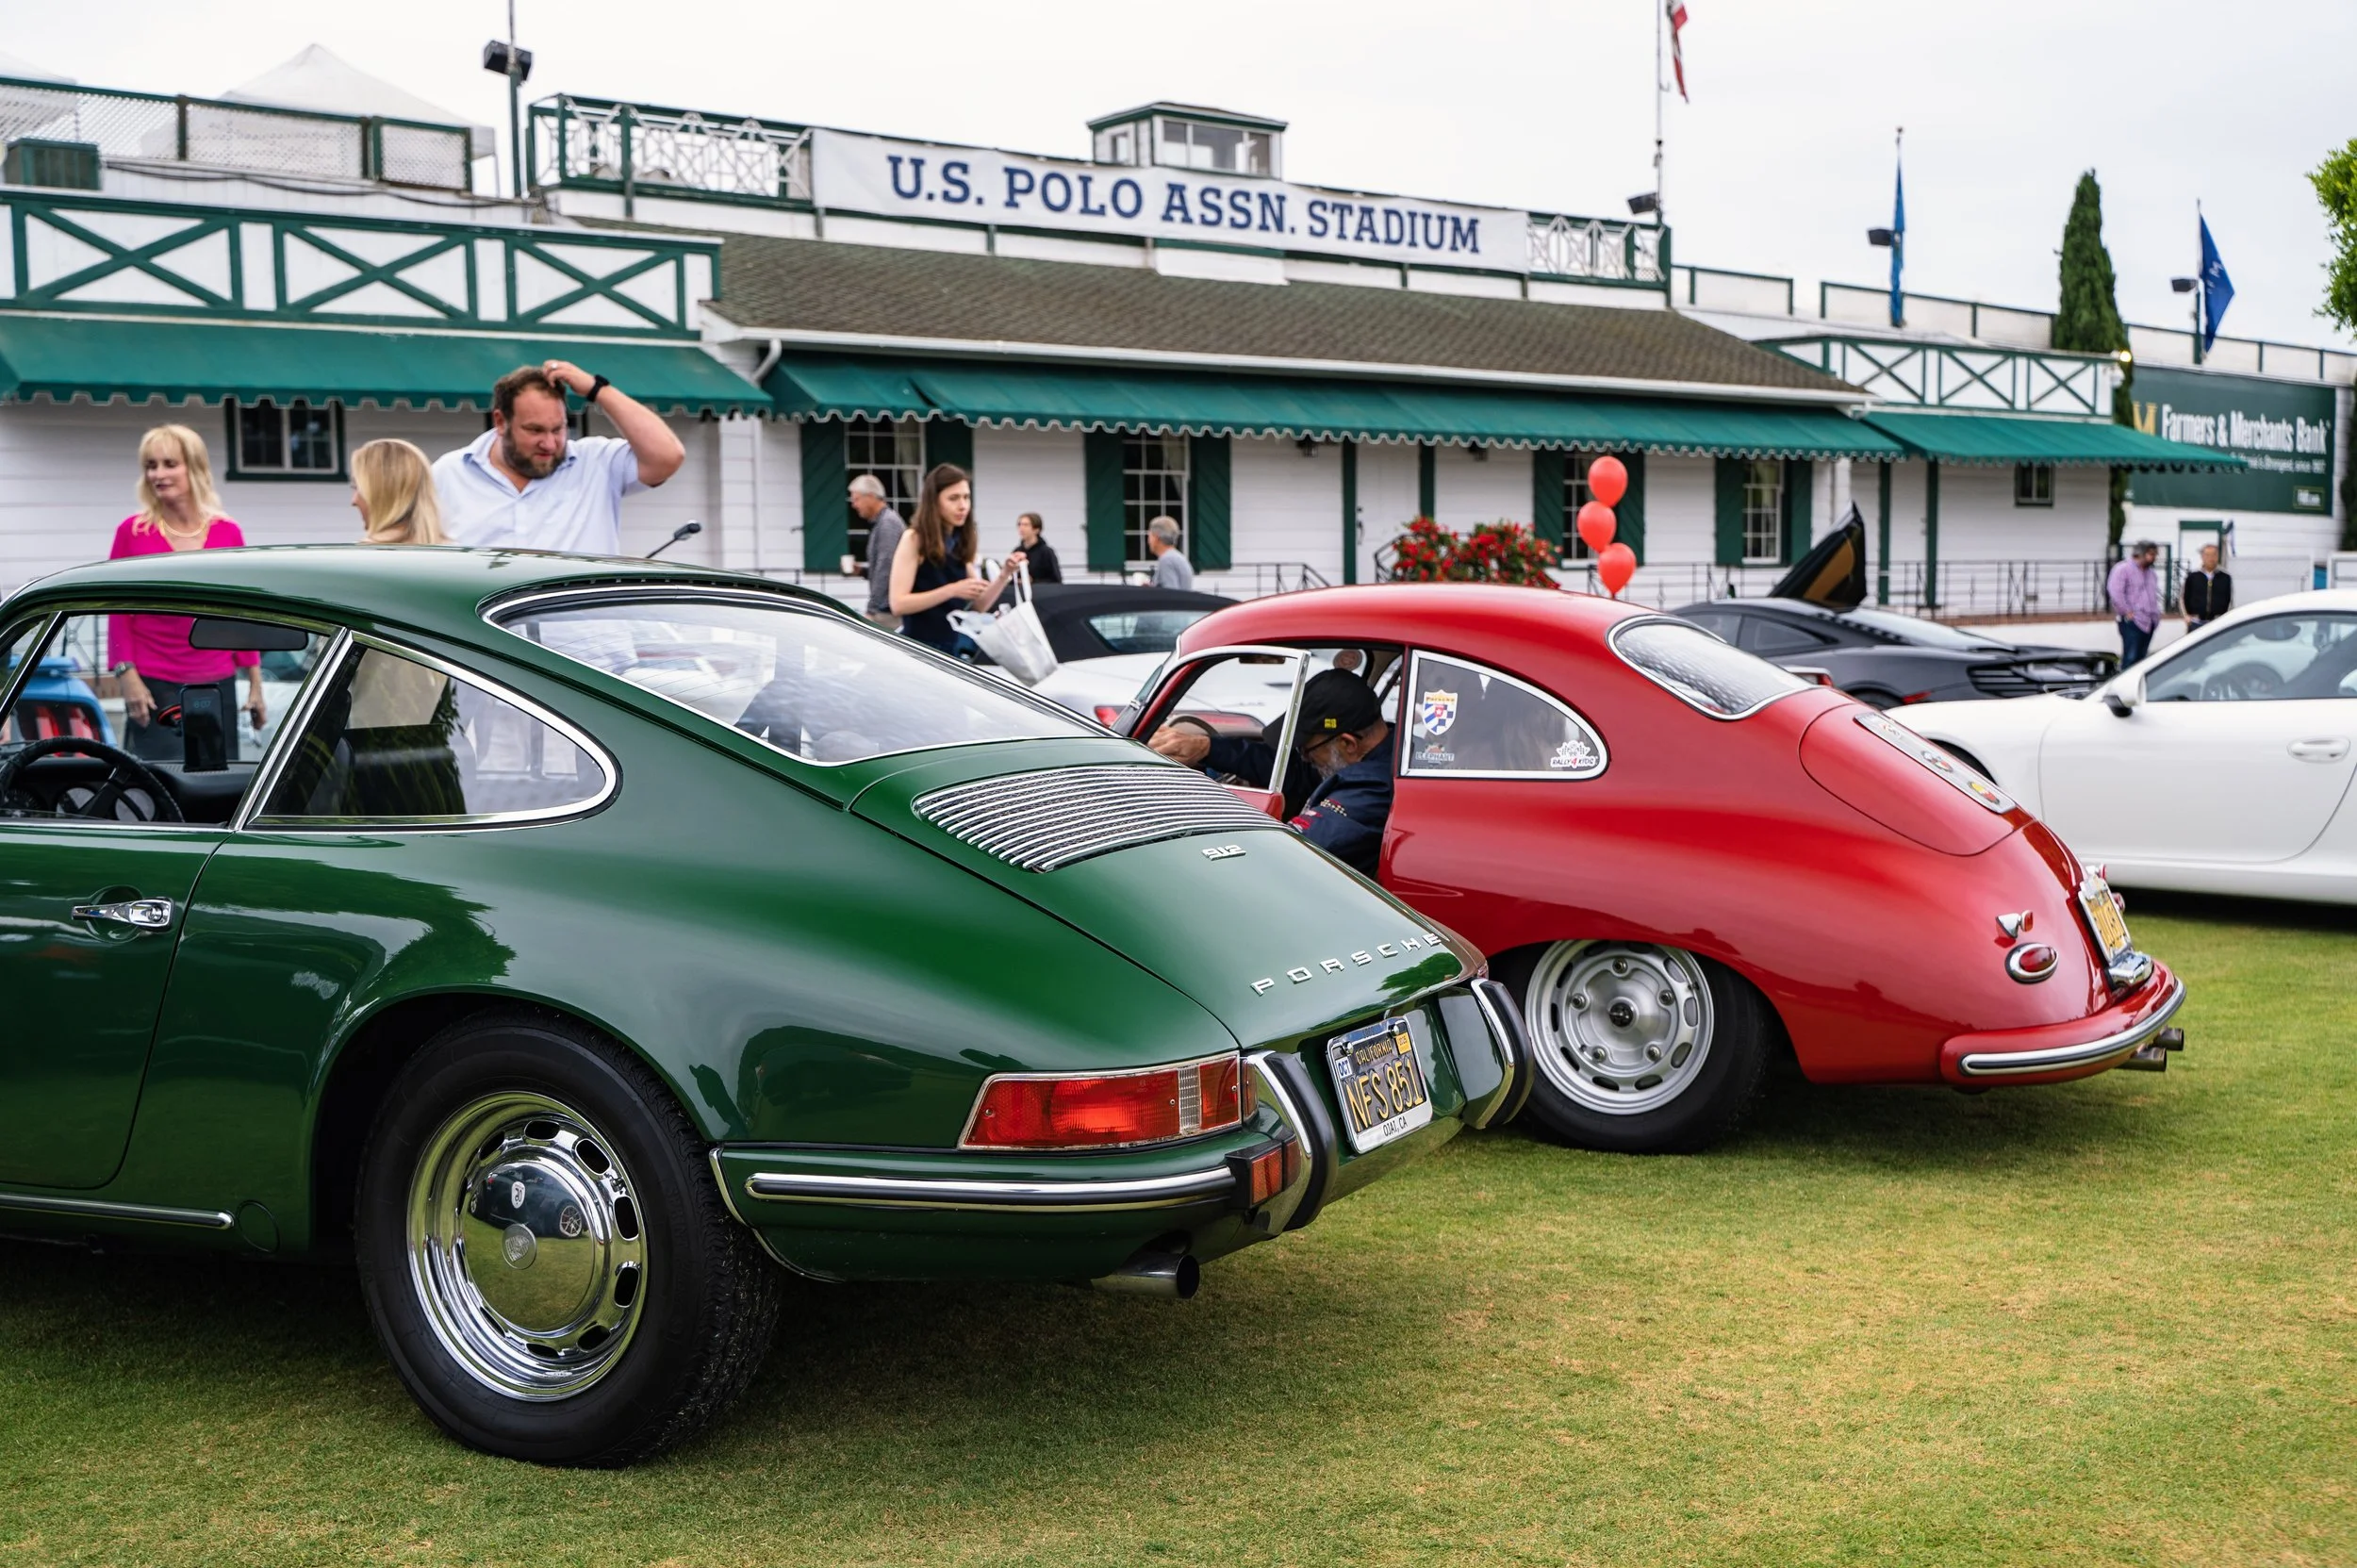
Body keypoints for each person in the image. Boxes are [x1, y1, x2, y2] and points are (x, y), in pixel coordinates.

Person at [107, 425, 265, 760]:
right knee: (164, 788)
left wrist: (254, 682)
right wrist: (127, 676)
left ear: (194, 468)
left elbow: (241, 613)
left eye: (169, 464)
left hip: (216, 681)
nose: (158, 474)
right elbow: (116, 610)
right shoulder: (132, 532)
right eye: (151, 466)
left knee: (217, 786)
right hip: (154, 684)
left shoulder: (228, 532)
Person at [1148, 668, 1395, 876]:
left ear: (1348, 744)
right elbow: (1297, 773)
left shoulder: (1373, 788)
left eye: (1306, 749)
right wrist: (1208, 748)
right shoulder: (1386, 750)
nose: (1305, 758)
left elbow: (1288, 851)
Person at [433, 361, 685, 554]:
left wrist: (598, 390)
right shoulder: (448, 474)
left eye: (558, 429)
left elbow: (667, 455)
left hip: (583, 624)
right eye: (535, 430)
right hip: (482, 623)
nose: (550, 443)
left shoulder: (596, 463)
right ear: (501, 421)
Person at [889, 464, 1019, 658]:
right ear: (934, 502)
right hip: (919, 651)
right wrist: (953, 590)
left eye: (966, 497)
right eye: (953, 498)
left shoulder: (959, 541)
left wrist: (1004, 575)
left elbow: (978, 606)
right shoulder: (914, 539)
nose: (963, 506)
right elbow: (898, 604)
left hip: (953, 652)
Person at [351, 438, 447, 544]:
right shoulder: (453, 555)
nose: (354, 501)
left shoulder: (362, 557)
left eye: (357, 488)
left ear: (384, 494)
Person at [851, 475, 906, 629]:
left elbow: (886, 568)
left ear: (870, 496)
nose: (854, 505)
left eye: (856, 500)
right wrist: (862, 571)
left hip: (887, 612)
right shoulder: (882, 522)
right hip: (886, 608)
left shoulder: (888, 523)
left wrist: (871, 610)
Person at [2107, 539, 2162, 667]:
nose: (2154, 558)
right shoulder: (2123, 569)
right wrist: (2127, 612)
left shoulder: (2151, 573)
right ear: (2141, 554)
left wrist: (2157, 615)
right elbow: (2116, 593)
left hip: (2150, 621)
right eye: (2151, 554)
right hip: (2133, 621)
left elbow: (2154, 595)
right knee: (2130, 658)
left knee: (2142, 660)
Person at [2183, 543, 2233, 629]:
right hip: (2196, 621)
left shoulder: (2225, 577)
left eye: (2214, 555)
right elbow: (2183, 597)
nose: (2211, 558)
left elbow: (2230, 598)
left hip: (2218, 621)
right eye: (2207, 555)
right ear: (2202, 557)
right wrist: (2186, 616)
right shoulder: (2193, 576)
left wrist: (2227, 617)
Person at [1146, 515, 1194, 589]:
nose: (1148, 541)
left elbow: (1170, 595)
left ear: (1156, 538)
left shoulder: (1167, 560)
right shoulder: (1179, 557)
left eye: (1149, 536)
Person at [1014, 512, 1063, 584]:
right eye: (1019, 524)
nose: (1021, 528)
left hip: (1041, 592)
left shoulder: (1046, 552)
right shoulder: (1017, 551)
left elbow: (1056, 580)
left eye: (1026, 525)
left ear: (1036, 529)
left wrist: (1033, 581)